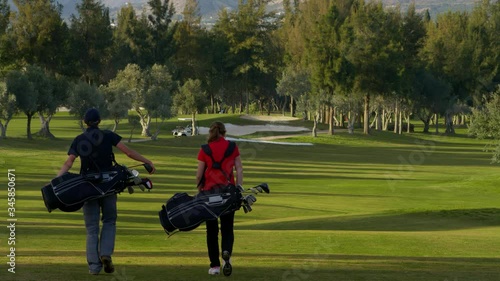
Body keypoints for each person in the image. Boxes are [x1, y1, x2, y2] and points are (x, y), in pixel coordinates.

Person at [57, 108, 156, 275]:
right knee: (109, 221)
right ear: (100, 121)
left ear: (85, 122)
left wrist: (56, 181)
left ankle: (94, 267)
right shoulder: (108, 135)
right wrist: (148, 161)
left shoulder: (79, 140)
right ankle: (106, 254)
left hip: (88, 187)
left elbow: (69, 163)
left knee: (91, 227)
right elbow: (128, 152)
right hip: (109, 185)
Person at [196, 121, 243, 276]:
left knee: (211, 231)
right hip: (228, 194)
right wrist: (239, 187)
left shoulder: (205, 149)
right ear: (224, 132)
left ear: (211, 133)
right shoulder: (232, 147)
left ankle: (215, 266)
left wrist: (199, 189)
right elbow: (239, 168)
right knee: (227, 228)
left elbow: (199, 174)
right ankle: (226, 254)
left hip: (209, 195)